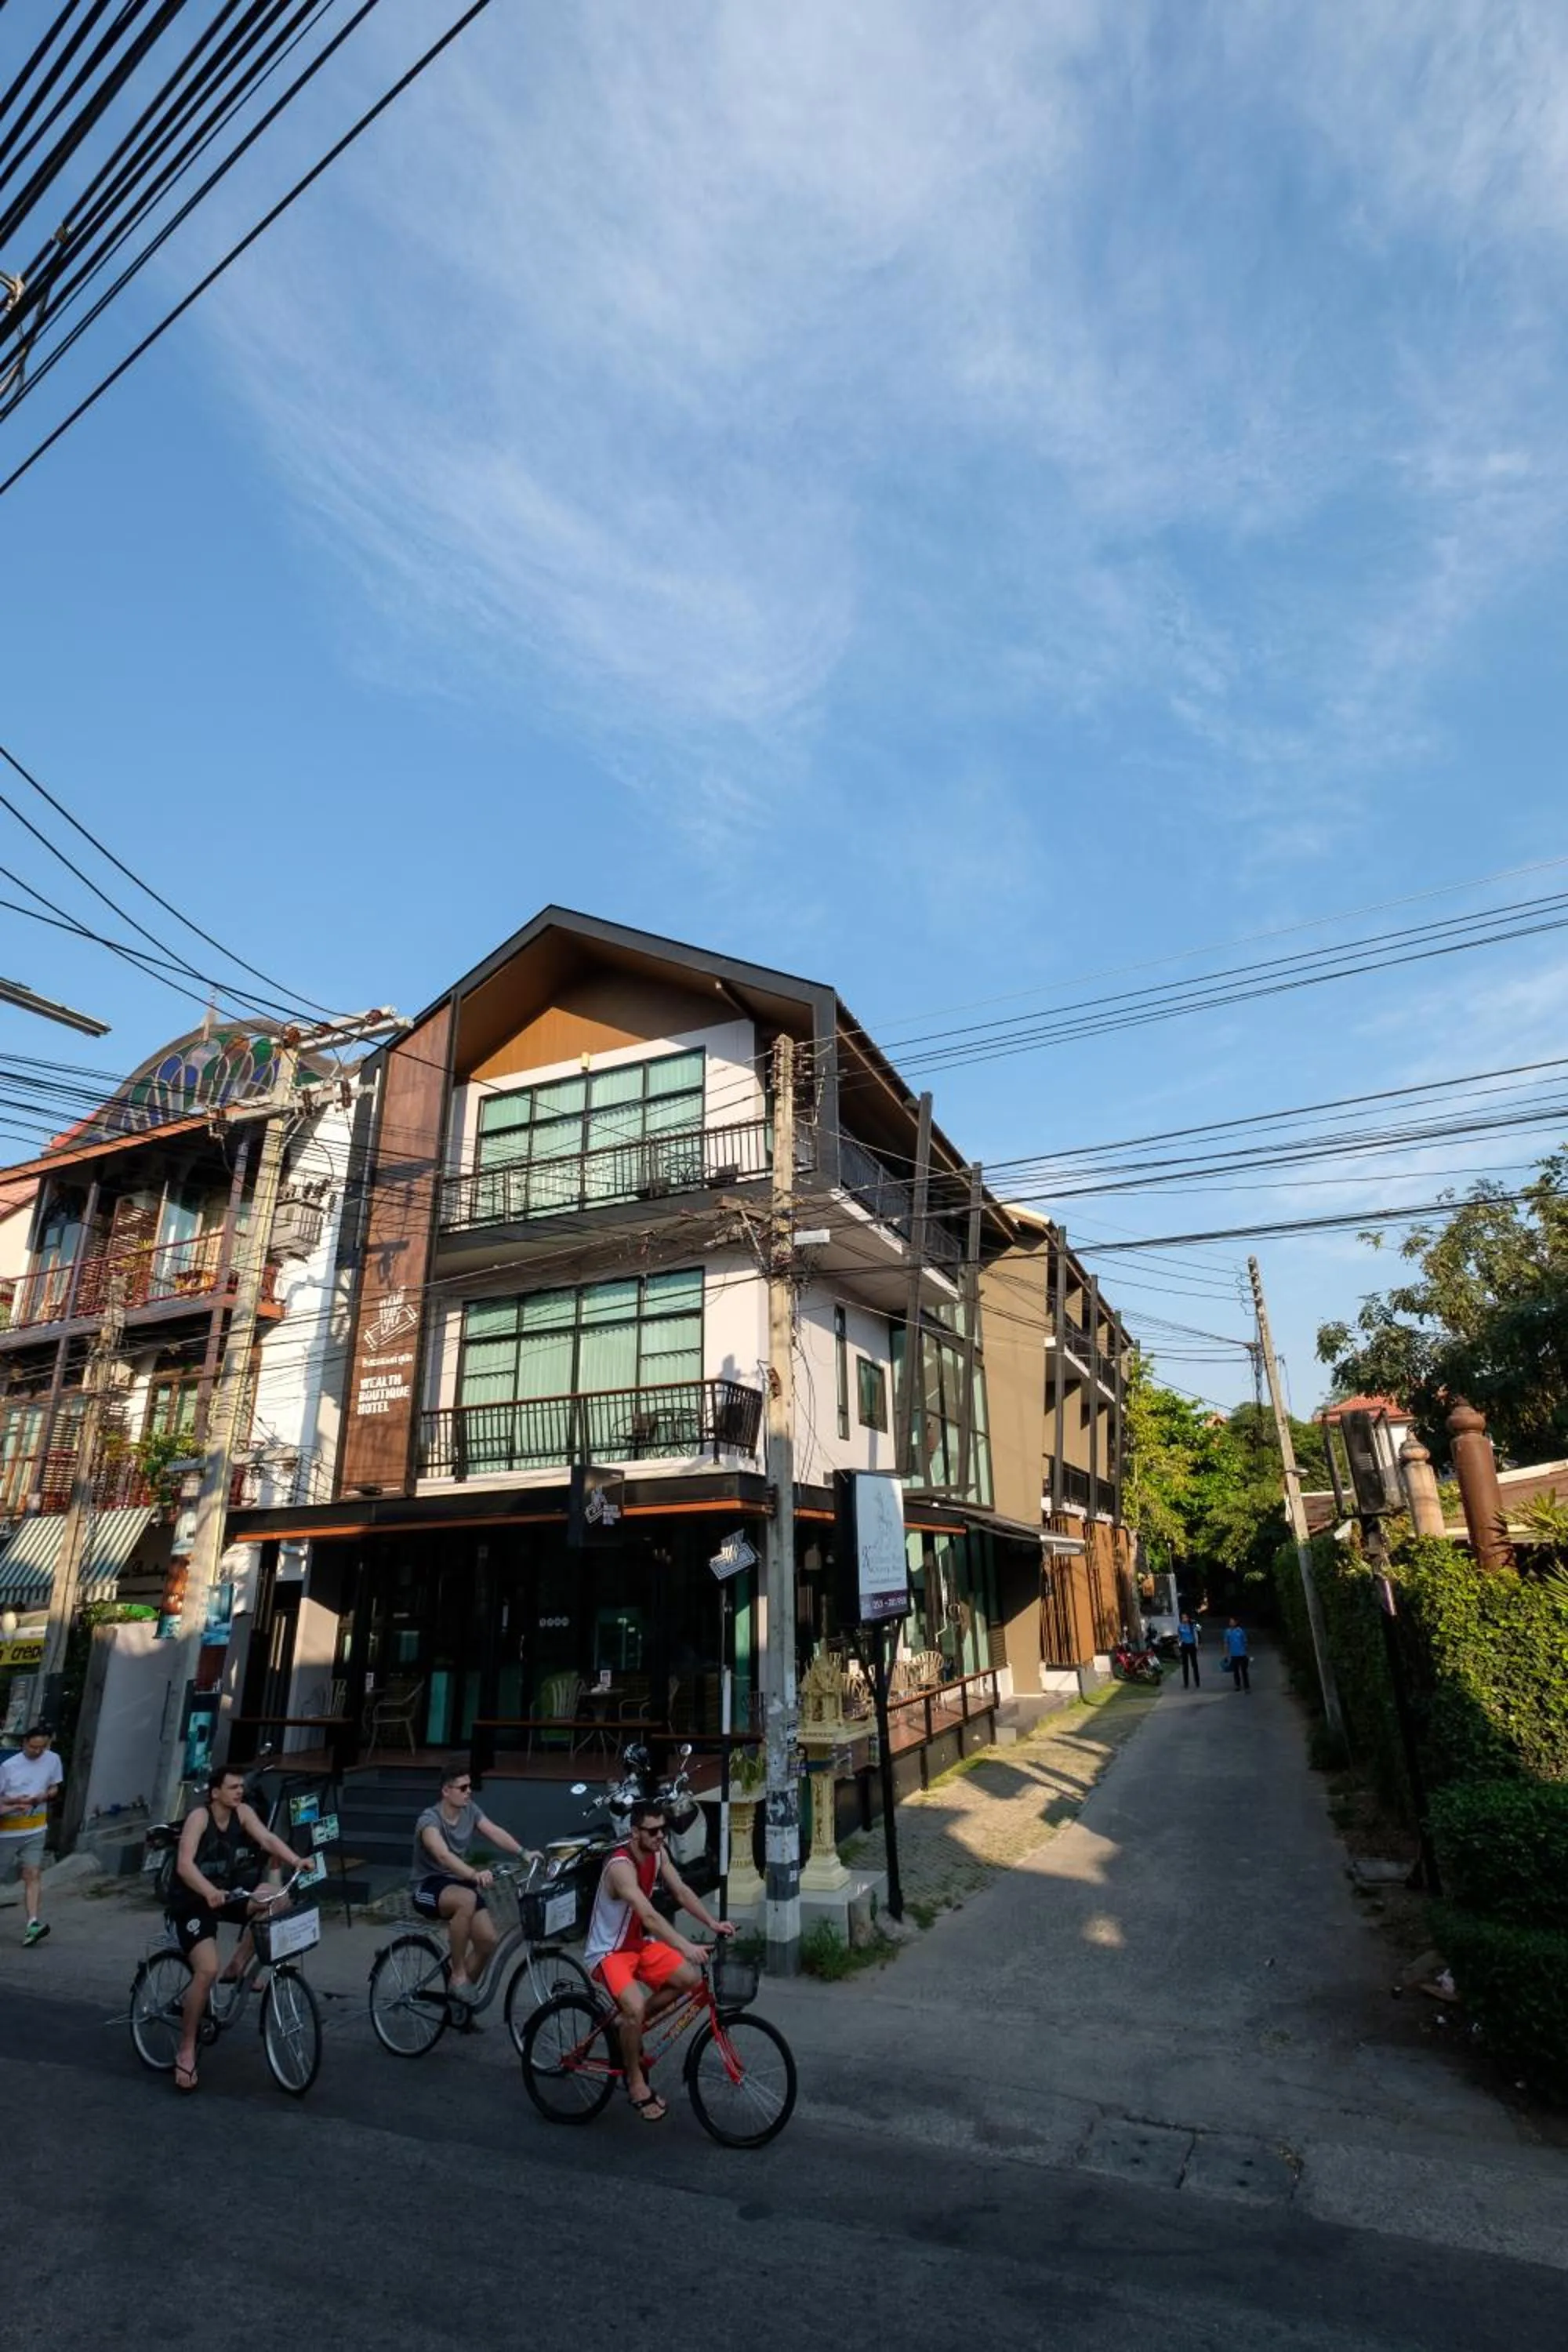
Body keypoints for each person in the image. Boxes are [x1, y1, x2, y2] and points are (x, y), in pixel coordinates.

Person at [583, 1796, 734, 2122]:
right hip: (609, 1952)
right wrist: (684, 1945)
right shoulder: (620, 1867)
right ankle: (635, 2081)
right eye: (652, 1832)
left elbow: (680, 1891)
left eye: (663, 1830)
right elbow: (649, 1916)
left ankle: (628, 2028)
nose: (660, 1837)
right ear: (635, 1832)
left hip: (639, 1945)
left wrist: (711, 1922)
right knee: (635, 2005)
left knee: (690, 1980)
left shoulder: (658, 1853)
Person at [167, 1762, 305, 2093]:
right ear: (215, 1793)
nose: (239, 1791)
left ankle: (239, 1963)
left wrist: (296, 1860)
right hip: (192, 1901)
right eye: (233, 1787)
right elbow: (185, 1865)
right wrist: (208, 1891)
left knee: (277, 1900)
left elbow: (268, 1838)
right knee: (206, 1970)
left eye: (241, 1787)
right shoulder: (200, 1817)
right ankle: (186, 2048)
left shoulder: (242, 1813)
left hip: (225, 1894)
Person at [410, 1762, 536, 2005]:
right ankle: (457, 1975)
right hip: (426, 1887)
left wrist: (523, 1853)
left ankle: (458, 2003)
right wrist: (473, 1874)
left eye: (471, 1787)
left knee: (487, 1941)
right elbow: (443, 1855)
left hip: (458, 1882)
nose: (469, 1791)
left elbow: (493, 1831)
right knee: (466, 1900)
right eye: (463, 1787)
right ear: (446, 1791)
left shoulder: (470, 1810)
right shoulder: (429, 1820)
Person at [0, 1722, 64, 1947]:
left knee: (33, 1874)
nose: (37, 1752)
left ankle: (33, 1924)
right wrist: (18, 1802)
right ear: (24, 1743)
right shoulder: (8, 1766)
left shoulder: (53, 1759)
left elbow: (55, 1788)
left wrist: (42, 1797)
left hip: (36, 1828)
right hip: (7, 1832)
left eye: (42, 1748)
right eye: (33, 1747)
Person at [1223, 1618, 1251, 1693]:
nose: (1231, 1623)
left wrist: (1246, 1651)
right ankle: (1237, 1685)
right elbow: (1226, 1643)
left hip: (1242, 1654)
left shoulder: (1240, 1631)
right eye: (1230, 1622)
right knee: (1235, 1671)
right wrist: (1226, 1655)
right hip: (1234, 1654)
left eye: (1233, 1622)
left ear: (1236, 1623)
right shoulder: (1227, 1632)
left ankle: (1247, 1686)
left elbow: (1245, 1641)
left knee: (1244, 1671)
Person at [1177, 1613, 1201, 1690]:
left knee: (1194, 1664)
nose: (1184, 1619)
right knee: (1185, 1665)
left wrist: (1196, 1622)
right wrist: (1179, 1644)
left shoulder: (1192, 1625)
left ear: (1188, 1618)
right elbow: (1179, 1636)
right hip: (1184, 1646)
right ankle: (1186, 1683)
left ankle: (1197, 1681)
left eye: (1185, 1618)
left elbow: (1200, 1629)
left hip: (1192, 1645)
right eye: (1182, 1618)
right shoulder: (1180, 1626)